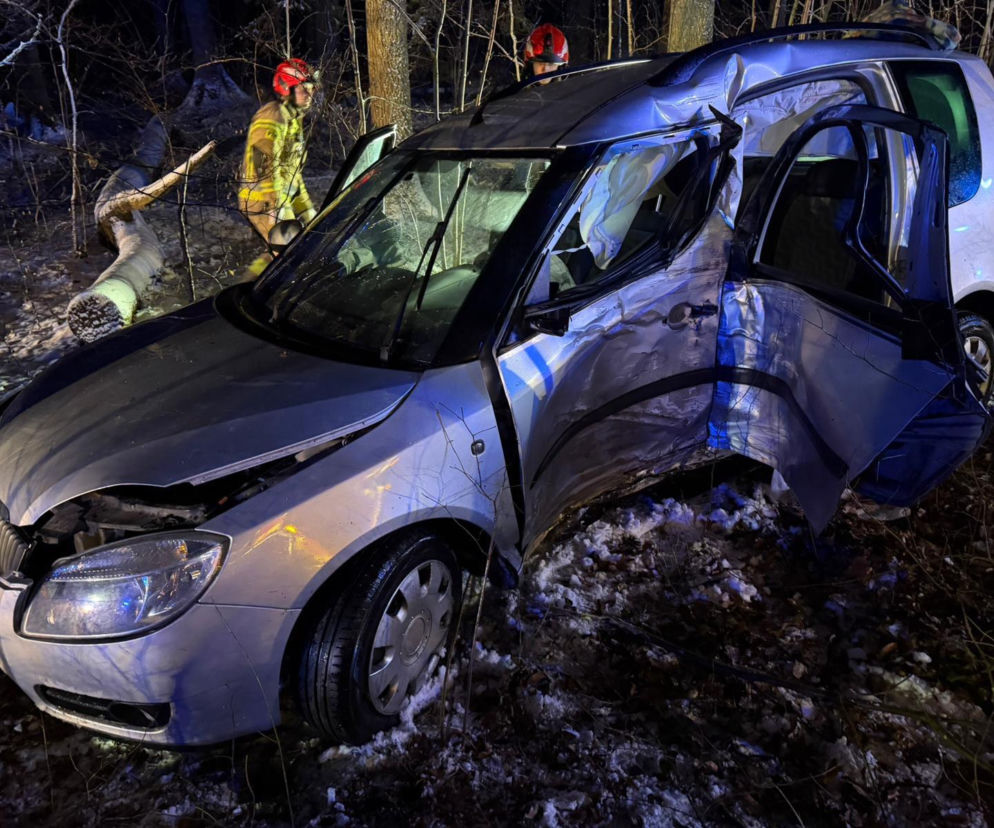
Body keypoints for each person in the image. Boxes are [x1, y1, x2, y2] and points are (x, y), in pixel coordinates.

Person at [238, 58, 318, 280]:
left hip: (277, 198)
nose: (309, 94)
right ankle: (248, 289)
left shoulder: (292, 119)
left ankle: (250, 287)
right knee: (288, 252)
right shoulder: (273, 116)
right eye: (303, 89)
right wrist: (277, 206)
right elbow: (263, 165)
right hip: (262, 200)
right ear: (285, 89)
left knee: (285, 252)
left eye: (311, 88)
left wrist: (306, 209)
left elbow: (292, 174)